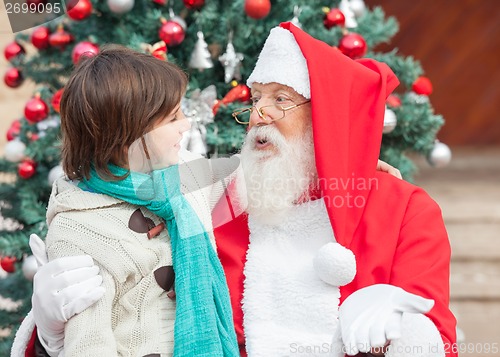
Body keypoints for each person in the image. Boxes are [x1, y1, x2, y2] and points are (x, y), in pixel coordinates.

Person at [14, 23, 456, 357]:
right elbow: (128, 303)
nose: (260, 113)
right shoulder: (215, 201)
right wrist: (50, 332)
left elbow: (442, 340)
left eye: (281, 98)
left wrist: (406, 326)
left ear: (328, 116)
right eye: (256, 97)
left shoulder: (405, 211)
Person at [11, 45, 241, 357]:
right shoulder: (80, 228)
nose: (186, 125)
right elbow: (89, 346)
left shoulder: (178, 182)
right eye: (173, 118)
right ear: (129, 134)